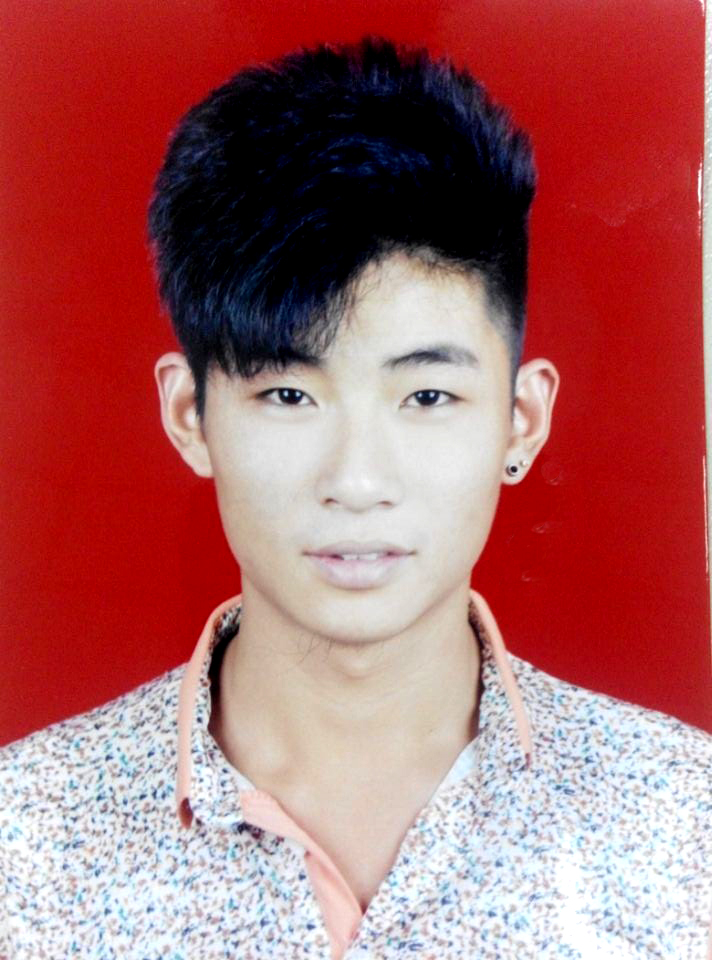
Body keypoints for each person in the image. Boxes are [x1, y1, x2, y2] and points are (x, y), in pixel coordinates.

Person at [0, 36, 709, 960]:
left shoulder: (684, 827)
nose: (358, 481)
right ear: (189, 415)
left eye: (428, 396)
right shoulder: (25, 843)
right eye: (289, 395)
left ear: (521, 422)